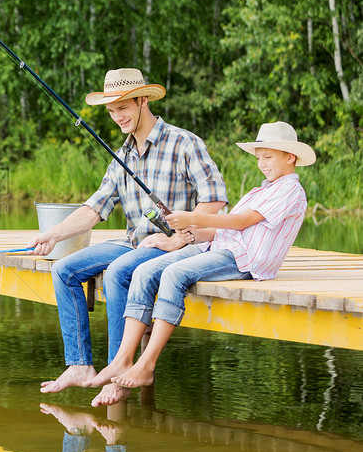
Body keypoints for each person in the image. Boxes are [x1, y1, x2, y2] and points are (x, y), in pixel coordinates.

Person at [29, 68, 228, 393]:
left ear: (142, 100)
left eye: (122, 107)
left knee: (118, 271)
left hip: (179, 248)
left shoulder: (184, 142)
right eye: (111, 110)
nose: (116, 116)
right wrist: (54, 235)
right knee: (65, 269)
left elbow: (214, 201)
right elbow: (94, 208)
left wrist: (176, 237)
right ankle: (79, 365)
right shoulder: (120, 157)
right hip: (135, 244)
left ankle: (117, 370)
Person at [90, 121, 315, 406]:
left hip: (243, 259)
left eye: (267, 157)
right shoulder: (262, 190)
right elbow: (227, 230)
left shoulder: (290, 189)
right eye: (258, 157)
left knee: (172, 274)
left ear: (290, 157)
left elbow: (242, 221)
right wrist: (190, 233)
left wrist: (193, 217)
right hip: (220, 246)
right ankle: (123, 359)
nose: (261, 164)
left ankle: (146, 365)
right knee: (144, 271)